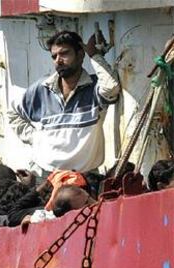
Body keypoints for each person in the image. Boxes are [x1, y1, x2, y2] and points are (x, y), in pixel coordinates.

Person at [8, 30, 121, 179]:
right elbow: (13, 113)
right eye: (54, 56)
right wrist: (35, 138)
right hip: (47, 177)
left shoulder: (94, 88)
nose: (58, 60)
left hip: (85, 178)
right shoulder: (42, 89)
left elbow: (112, 88)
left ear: (80, 55)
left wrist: (95, 55)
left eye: (64, 54)